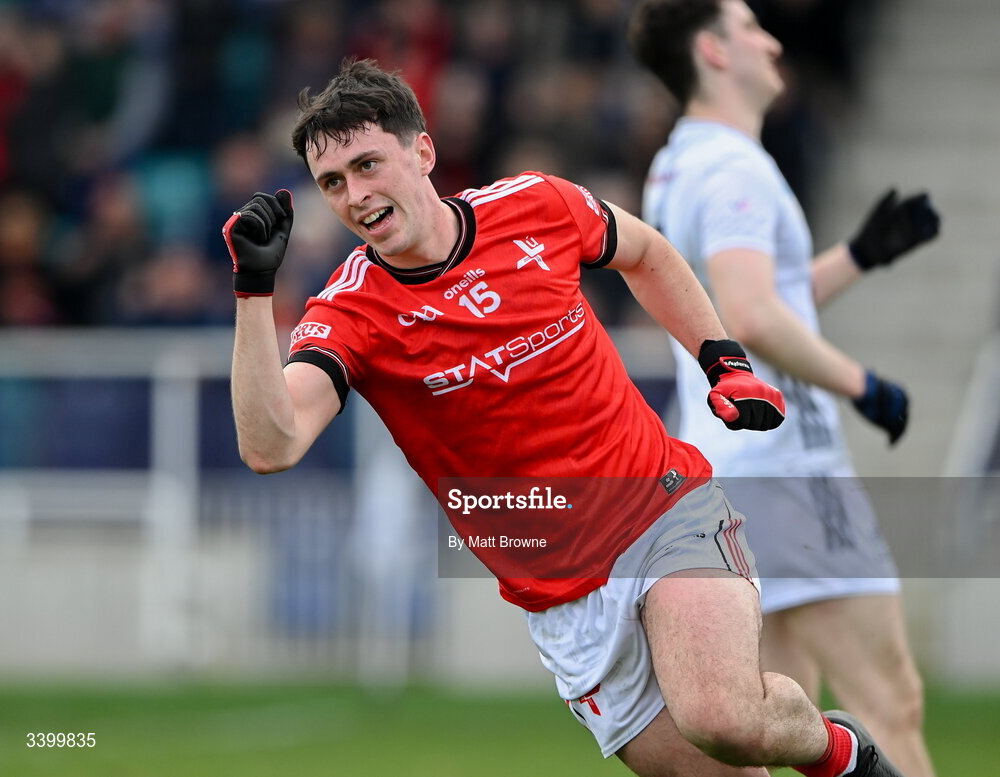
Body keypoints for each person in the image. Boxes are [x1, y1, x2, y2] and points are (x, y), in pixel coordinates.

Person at [225, 57, 908, 777]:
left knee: (725, 715)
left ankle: (843, 754)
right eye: (333, 182)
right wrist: (253, 293)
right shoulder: (350, 312)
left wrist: (723, 360)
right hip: (563, 598)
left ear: (422, 151)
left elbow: (644, 252)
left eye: (368, 165)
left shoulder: (533, 206)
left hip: (660, 507)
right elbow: (274, 444)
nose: (356, 194)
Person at [629, 3, 939, 777]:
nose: (771, 41)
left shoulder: (677, 163)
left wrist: (859, 255)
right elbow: (756, 314)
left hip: (721, 467)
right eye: (749, 27)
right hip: (789, 470)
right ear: (712, 50)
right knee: (886, 701)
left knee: (785, 716)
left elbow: (740, 308)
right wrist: (861, 383)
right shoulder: (736, 167)